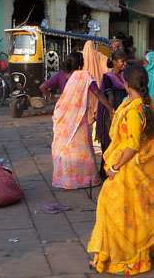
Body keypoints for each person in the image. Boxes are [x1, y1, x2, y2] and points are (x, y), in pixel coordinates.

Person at [87, 64, 154, 275]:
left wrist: (115, 167)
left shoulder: (135, 111)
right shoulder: (141, 104)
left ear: (126, 84)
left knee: (116, 210)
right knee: (142, 211)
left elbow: (133, 145)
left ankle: (124, 260)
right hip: (139, 169)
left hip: (129, 169)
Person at [51, 52, 114, 189]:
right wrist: (110, 108)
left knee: (66, 149)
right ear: (81, 64)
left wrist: (51, 98)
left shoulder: (64, 76)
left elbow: (45, 87)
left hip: (63, 117)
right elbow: (97, 93)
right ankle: (86, 180)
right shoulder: (84, 76)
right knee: (82, 149)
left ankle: (65, 181)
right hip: (78, 119)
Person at [96, 50, 128, 180]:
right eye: (122, 61)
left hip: (122, 112)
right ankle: (105, 173)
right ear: (114, 62)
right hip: (111, 114)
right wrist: (111, 112)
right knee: (109, 144)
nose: (125, 64)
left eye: (125, 61)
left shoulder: (125, 76)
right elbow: (110, 96)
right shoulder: (108, 77)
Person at [82, 41, 109, 124]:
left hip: (86, 83)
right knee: (97, 98)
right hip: (97, 82)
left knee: (88, 99)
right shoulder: (98, 55)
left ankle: (89, 118)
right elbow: (107, 63)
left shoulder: (82, 56)